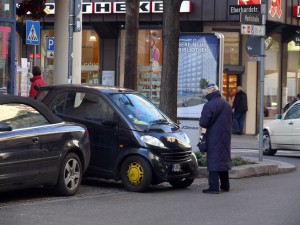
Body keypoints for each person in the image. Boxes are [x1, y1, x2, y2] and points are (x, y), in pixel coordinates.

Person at [199, 83, 232, 194]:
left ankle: (213, 187)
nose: (205, 94)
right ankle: (225, 185)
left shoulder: (209, 105)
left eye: (206, 92)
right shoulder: (227, 104)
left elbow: (204, 122)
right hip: (226, 136)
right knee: (222, 159)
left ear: (210, 92)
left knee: (213, 159)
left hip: (214, 135)